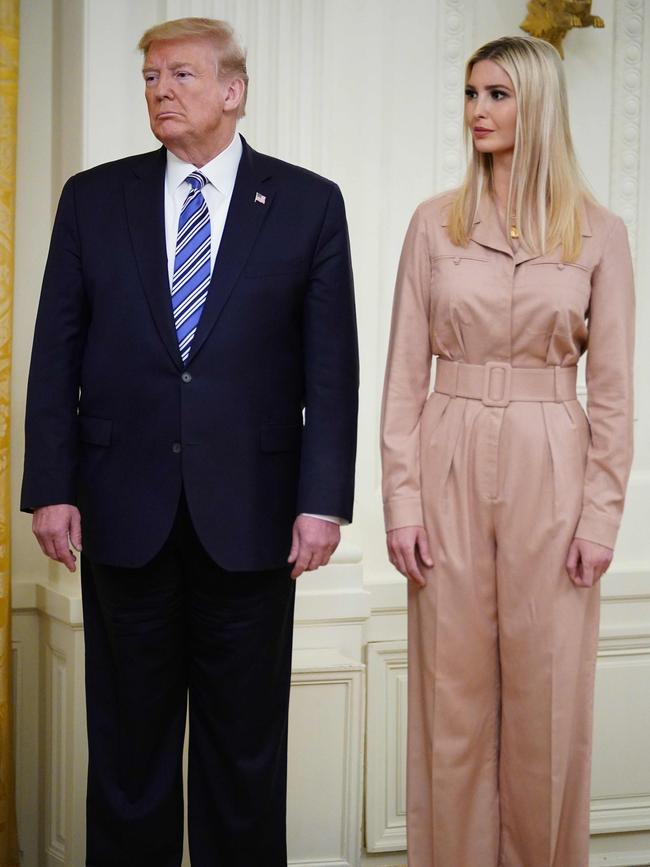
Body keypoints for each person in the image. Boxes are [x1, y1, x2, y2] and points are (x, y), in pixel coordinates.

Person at [21, 17, 358, 867]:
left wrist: (323, 501)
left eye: (179, 75)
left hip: (251, 521)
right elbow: (55, 352)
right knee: (128, 756)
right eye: (149, 78)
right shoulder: (93, 198)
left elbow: (332, 371)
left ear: (232, 90)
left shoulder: (309, 203)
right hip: (120, 516)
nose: (160, 92)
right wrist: (51, 484)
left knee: (242, 757)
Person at [381, 35, 634, 867]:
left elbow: (617, 392)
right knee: (452, 699)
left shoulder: (600, 234)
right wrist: (403, 502)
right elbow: (401, 377)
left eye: (497, 95)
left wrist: (601, 517)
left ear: (538, 106)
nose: (478, 112)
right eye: (471, 94)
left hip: (552, 459)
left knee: (546, 700)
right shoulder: (432, 224)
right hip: (448, 447)